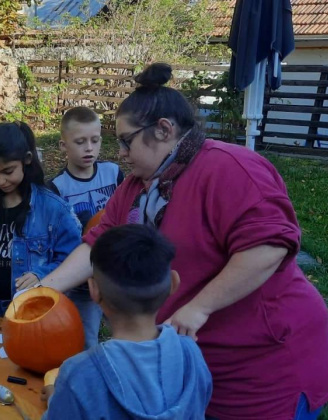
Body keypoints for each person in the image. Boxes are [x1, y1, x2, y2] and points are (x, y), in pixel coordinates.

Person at [40, 63, 328, 420]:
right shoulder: (138, 185)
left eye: (127, 141)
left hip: (267, 361)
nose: (122, 154)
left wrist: (200, 306)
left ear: (163, 130)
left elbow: (268, 246)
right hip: (197, 361)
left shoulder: (230, 168)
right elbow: (99, 242)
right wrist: (43, 290)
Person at [43, 224, 212, 419]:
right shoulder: (191, 354)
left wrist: (56, 399)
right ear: (173, 283)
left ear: (94, 290)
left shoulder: (79, 375)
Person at [0, 122, 82, 316]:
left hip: (34, 316)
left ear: (27, 160)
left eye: (7, 171)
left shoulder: (56, 210)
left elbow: (72, 261)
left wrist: (42, 275)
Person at [48, 106, 124, 349]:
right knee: (85, 338)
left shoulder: (114, 173)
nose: (89, 148)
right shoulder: (56, 188)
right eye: (80, 142)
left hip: (116, 273)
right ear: (63, 146)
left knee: (126, 333)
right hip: (82, 278)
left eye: (94, 140)